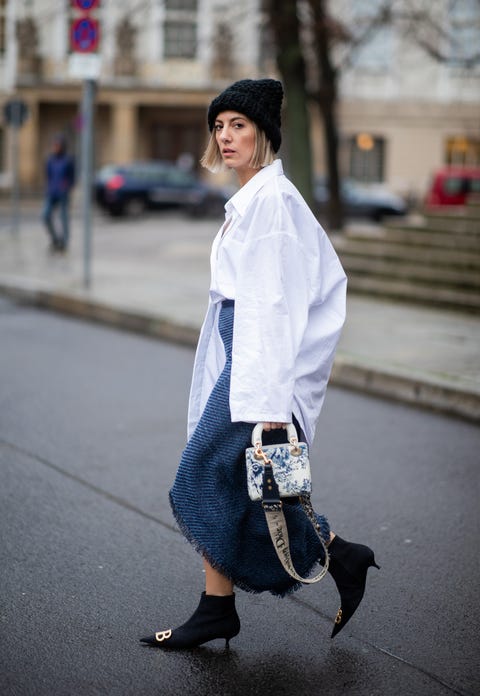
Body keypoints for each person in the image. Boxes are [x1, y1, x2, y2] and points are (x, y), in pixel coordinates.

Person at [140, 79, 379, 650]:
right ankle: (330, 559)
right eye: (219, 126)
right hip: (242, 361)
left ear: (264, 134)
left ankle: (221, 607)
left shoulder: (271, 204)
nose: (225, 136)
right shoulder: (253, 199)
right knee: (240, 487)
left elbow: (274, 308)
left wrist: (270, 409)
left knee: (198, 478)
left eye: (238, 126)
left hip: (258, 368)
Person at [42, 134, 75, 252]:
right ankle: (55, 239)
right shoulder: (50, 160)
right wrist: (49, 187)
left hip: (63, 193)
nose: (55, 147)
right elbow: (48, 175)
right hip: (51, 193)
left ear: (62, 146)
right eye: (54, 145)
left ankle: (64, 242)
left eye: (57, 145)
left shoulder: (68, 160)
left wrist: (67, 186)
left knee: (64, 217)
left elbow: (72, 177)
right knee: (45, 215)